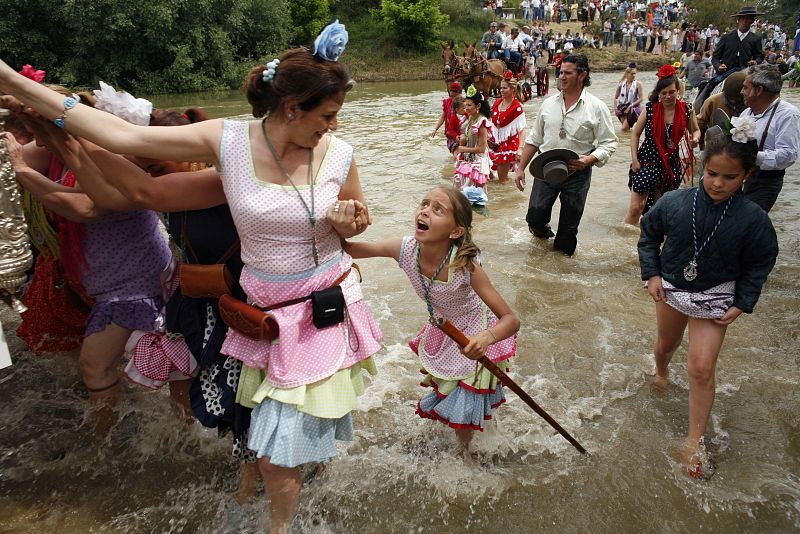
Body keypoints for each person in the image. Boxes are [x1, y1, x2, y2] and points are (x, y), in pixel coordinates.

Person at [0, 22, 384, 533]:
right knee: (262, 433)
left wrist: (352, 219)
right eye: (327, 115)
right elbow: (127, 142)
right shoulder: (228, 141)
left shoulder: (339, 154)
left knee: (275, 453)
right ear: (293, 108)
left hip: (320, 315)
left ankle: (279, 526)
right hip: (260, 321)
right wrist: (19, 85)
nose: (332, 127)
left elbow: (358, 217)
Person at [3, 96, 172, 435]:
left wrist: (21, 168)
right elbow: (64, 159)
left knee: (94, 367)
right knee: (123, 362)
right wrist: (37, 126)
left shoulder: (125, 159)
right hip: (113, 279)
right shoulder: (84, 151)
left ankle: (106, 441)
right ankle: (141, 427)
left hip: (131, 281)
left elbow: (84, 208)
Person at [638, 129, 778, 480]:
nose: (717, 183)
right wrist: (652, 275)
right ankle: (662, 371)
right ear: (702, 167)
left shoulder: (754, 219)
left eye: (730, 177)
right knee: (666, 345)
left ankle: (694, 439)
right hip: (672, 285)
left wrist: (744, 301)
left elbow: (760, 262)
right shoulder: (674, 201)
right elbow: (649, 234)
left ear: (746, 175)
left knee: (701, 367)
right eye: (712, 174)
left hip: (717, 294)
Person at [344, 185, 519, 456]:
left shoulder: (466, 266)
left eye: (438, 209)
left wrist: (486, 338)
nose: (425, 211)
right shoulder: (403, 249)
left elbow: (510, 319)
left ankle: (465, 453)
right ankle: (468, 432)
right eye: (424, 204)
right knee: (451, 388)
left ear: (455, 231)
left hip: (477, 332)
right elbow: (351, 249)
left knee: (468, 394)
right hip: (445, 328)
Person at [514, 54, 618, 256]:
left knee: (568, 230)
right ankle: (542, 249)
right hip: (546, 168)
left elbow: (609, 142)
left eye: (567, 73)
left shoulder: (597, 107)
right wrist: (520, 169)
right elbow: (534, 139)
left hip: (577, 172)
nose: (561, 77)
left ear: (582, 75)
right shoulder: (548, 104)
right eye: (560, 72)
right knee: (534, 217)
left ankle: (560, 270)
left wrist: (589, 159)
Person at [626, 65, 700, 225]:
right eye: (664, 93)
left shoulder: (687, 109)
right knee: (635, 208)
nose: (668, 96)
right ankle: (621, 242)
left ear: (678, 90)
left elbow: (696, 130)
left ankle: (646, 243)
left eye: (672, 92)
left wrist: (695, 139)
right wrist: (634, 159)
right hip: (646, 161)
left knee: (659, 210)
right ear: (658, 94)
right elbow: (635, 134)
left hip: (670, 164)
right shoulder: (650, 109)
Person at [738, 63, 800, 212]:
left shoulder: (788, 114)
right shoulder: (746, 113)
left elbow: (788, 154)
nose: (741, 92)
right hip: (740, 177)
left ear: (758, 90)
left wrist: (753, 157)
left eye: (745, 87)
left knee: (749, 222)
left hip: (766, 182)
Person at [696, 6, 764, 111]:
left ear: (752, 21)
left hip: (745, 70)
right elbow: (716, 57)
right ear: (739, 20)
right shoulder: (727, 37)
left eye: (749, 19)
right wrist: (719, 66)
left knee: (761, 88)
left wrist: (755, 61)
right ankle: (699, 109)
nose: (745, 22)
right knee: (711, 84)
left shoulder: (756, 39)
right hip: (727, 70)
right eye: (743, 18)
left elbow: (759, 56)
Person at [454, 87, 494, 206]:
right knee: (462, 194)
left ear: (478, 106)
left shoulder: (482, 122)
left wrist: (462, 149)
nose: (466, 108)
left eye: (469, 105)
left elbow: (482, 148)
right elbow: (467, 137)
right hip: (468, 160)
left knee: (476, 199)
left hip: (478, 163)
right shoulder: (471, 118)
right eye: (465, 105)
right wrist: (462, 139)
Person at [490, 75, 526, 184]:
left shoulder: (517, 108)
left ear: (512, 89)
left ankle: (507, 197)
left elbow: (522, 130)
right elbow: (491, 122)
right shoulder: (497, 103)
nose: (501, 90)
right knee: (487, 174)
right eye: (500, 88)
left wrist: (520, 149)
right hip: (495, 142)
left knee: (502, 180)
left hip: (508, 145)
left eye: (504, 88)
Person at [696, 72, 746, 145]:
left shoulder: (750, 103)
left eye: (736, 99)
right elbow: (700, 122)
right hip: (717, 144)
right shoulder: (713, 101)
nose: (733, 101)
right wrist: (696, 138)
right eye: (730, 99)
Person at [431, 81, 464, 152]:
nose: (452, 94)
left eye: (454, 93)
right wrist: (435, 129)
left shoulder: (464, 103)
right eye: (451, 92)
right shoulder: (447, 102)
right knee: (455, 153)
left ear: (459, 92)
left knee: (458, 154)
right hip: (451, 133)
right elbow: (443, 117)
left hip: (461, 133)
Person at [613, 63, 644, 132]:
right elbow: (615, 97)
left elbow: (641, 98)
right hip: (622, 108)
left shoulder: (638, 84)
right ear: (627, 74)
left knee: (623, 129)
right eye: (632, 74)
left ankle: (623, 141)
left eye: (635, 74)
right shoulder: (621, 84)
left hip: (633, 109)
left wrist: (630, 106)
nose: (634, 75)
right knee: (626, 130)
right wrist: (615, 108)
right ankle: (628, 141)